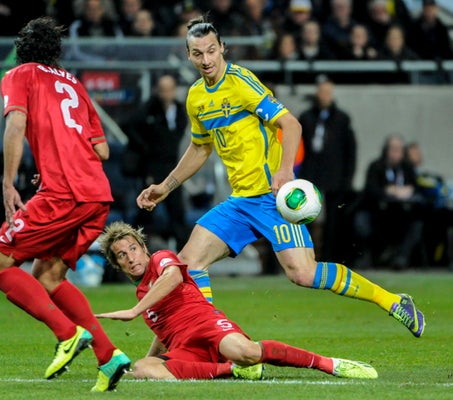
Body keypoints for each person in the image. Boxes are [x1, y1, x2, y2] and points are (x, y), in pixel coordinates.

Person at [136, 15, 425, 338]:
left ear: (222, 49)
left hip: (273, 198)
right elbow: (200, 148)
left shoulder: (241, 82)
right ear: (188, 56)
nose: (206, 60)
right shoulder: (196, 97)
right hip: (240, 202)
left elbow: (292, 125)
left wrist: (284, 171)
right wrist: (166, 186)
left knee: (303, 273)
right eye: (198, 53)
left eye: (211, 51)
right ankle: (214, 340)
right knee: (189, 263)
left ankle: (393, 301)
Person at [0, 17, 130, 393]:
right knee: (48, 276)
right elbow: (102, 148)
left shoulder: (20, 75)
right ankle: (108, 354)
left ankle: (67, 334)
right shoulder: (74, 84)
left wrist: (8, 181)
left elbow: (16, 124)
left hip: (64, 193)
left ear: (23, 49)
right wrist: (53, 163)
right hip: (96, 195)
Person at [95, 221, 378, 382]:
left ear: (144, 248)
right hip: (186, 347)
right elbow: (163, 332)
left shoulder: (160, 259)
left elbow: (174, 278)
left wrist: (134, 311)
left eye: (133, 248)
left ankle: (328, 364)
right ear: (117, 264)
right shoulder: (142, 295)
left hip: (206, 325)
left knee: (245, 351)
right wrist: (153, 359)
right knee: (143, 368)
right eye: (122, 255)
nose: (131, 257)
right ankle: (229, 372)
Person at [122, 74, 190, 251]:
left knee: (177, 212)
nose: (165, 93)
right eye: (162, 90)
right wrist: (146, 148)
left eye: (169, 89)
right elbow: (129, 125)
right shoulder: (149, 109)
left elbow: (177, 134)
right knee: (146, 211)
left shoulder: (179, 110)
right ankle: (130, 249)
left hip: (173, 168)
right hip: (152, 168)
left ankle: (186, 260)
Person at [298, 76, 356, 261]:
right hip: (310, 174)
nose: (325, 96)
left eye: (328, 92)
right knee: (305, 216)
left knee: (333, 221)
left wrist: (347, 179)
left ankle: (330, 258)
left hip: (334, 176)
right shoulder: (306, 118)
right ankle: (305, 257)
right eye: (322, 92)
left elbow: (350, 151)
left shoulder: (342, 119)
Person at [354, 135, 426, 269]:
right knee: (361, 221)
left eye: (399, 149)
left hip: (401, 213)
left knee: (417, 223)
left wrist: (408, 190)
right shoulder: (376, 166)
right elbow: (371, 189)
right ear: (386, 150)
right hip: (377, 211)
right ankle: (366, 257)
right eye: (393, 149)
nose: (396, 153)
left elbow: (417, 188)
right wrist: (388, 190)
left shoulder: (407, 168)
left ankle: (401, 258)